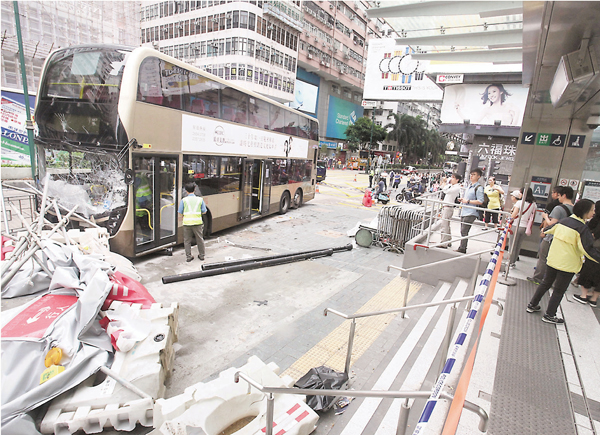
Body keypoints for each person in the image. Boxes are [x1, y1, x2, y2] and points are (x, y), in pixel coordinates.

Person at [527, 199, 600, 324]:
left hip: (553, 260)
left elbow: (546, 230)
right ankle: (549, 315)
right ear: (585, 211)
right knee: (559, 290)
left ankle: (532, 304)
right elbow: (587, 250)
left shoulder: (563, 222)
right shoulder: (582, 229)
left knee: (545, 283)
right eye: (592, 210)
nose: (594, 212)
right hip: (568, 265)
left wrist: (543, 232)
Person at [527, 186, 574, 285]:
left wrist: (545, 217)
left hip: (551, 238)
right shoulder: (574, 209)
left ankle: (538, 278)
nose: (558, 197)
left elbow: (552, 224)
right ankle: (552, 281)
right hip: (563, 239)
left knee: (543, 258)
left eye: (559, 195)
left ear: (564, 195)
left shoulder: (559, 208)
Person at [573, 201, 600, 308]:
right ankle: (594, 299)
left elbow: (591, 234)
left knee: (588, 271)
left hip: (595, 251)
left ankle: (583, 295)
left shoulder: (596, 220)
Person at [455, 83, 520, 126]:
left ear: (501, 92)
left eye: (494, 91)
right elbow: (473, 122)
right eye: (489, 93)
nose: (492, 95)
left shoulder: (509, 106)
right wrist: (459, 112)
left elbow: (515, 123)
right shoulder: (487, 110)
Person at [456, 168, 485, 254]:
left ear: (479, 176)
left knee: (464, 230)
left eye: (474, 175)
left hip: (472, 212)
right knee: (462, 230)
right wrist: (463, 200)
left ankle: (462, 248)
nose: (471, 176)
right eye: (471, 174)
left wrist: (468, 201)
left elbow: (480, 201)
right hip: (464, 211)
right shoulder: (469, 186)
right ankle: (462, 246)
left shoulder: (479, 188)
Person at [178, 182, 207, 262]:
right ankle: (201, 255)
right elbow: (204, 211)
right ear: (194, 189)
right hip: (198, 223)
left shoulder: (183, 200)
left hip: (187, 223)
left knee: (187, 240)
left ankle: (188, 257)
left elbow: (180, 212)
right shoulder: (200, 200)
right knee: (200, 239)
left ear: (186, 191)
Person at [508, 188, 537, 267]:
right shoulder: (534, 204)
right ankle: (513, 262)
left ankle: (510, 262)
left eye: (520, 193)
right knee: (518, 245)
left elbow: (514, 215)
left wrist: (510, 218)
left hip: (516, 225)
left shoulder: (519, 203)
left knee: (512, 245)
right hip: (525, 227)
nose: (519, 194)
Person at [440, 173, 462, 248]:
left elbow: (445, 191)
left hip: (448, 207)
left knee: (444, 225)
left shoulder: (456, 187)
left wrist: (445, 182)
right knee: (447, 225)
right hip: (446, 206)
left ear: (457, 180)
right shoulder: (451, 186)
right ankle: (448, 240)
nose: (451, 179)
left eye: (453, 178)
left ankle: (443, 242)